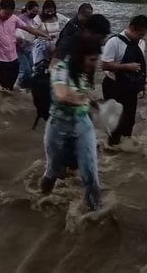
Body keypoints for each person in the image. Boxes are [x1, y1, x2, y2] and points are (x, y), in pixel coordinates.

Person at [41, 37, 103, 211]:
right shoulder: (60, 69)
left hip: (82, 125)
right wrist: (81, 99)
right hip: (58, 126)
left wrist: (96, 103)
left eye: (96, 59)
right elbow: (61, 94)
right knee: (53, 171)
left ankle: (96, 213)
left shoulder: (83, 71)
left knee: (90, 173)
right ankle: (41, 201)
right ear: (80, 56)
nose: (94, 64)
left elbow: (85, 96)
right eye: (92, 59)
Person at [30, 14, 111, 130]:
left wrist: (88, 97)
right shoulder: (70, 43)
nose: (103, 42)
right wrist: (76, 96)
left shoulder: (88, 47)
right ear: (88, 32)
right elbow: (54, 67)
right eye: (100, 37)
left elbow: (80, 77)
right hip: (50, 90)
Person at [0, 0, 49, 91]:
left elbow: (29, 29)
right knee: (5, 87)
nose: (8, 16)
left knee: (10, 87)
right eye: (6, 13)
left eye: (10, 13)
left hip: (13, 58)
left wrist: (46, 35)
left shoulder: (14, 18)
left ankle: (10, 101)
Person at [101, 15, 147, 146]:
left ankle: (124, 153)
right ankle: (111, 150)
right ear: (131, 28)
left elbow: (141, 66)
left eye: (143, 34)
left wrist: (142, 84)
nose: (141, 37)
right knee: (115, 122)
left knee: (129, 121)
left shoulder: (140, 43)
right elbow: (104, 65)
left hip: (130, 88)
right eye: (140, 34)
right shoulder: (114, 42)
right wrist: (127, 66)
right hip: (113, 85)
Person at [32, 0, 69, 66]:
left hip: (55, 43)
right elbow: (32, 29)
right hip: (42, 44)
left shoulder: (57, 16)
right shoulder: (38, 18)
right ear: (44, 10)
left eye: (51, 11)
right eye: (48, 11)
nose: (50, 13)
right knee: (40, 63)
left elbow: (68, 22)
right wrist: (44, 36)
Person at [16, 1, 39, 89]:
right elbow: (18, 32)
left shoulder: (32, 20)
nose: (35, 13)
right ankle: (17, 88)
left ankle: (25, 88)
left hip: (29, 48)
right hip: (19, 48)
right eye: (33, 11)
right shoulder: (21, 18)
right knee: (24, 70)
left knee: (30, 70)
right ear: (27, 10)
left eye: (36, 12)